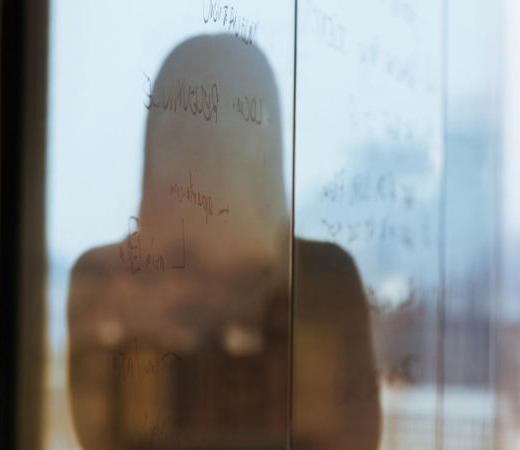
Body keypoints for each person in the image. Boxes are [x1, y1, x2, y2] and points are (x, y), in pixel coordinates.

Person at [67, 34, 380, 450]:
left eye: (225, 127)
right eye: (187, 128)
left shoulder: (323, 278)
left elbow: (351, 436)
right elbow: (103, 434)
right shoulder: (111, 278)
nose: (206, 149)